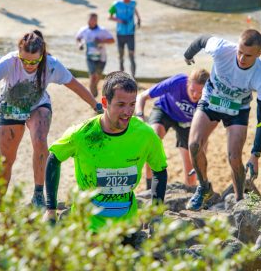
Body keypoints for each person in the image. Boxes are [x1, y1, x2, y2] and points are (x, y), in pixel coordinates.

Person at [0, 30, 102, 215]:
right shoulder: (10, 62)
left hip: (38, 105)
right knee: (6, 160)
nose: (29, 65)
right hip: (10, 108)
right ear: (19, 53)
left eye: (34, 61)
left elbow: (75, 85)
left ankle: (38, 195)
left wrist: (96, 105)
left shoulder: (51, 65)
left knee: (40, 140)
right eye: (24, 60)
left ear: (41, 56)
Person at [43, 71, 168, 232]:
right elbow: (54, 158)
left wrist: (156, 214)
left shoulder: (146, 135)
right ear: (104, 102)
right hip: (87, 225)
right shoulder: (83, 134)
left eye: (132, 104)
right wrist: (50, 210)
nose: (128, 112)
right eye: (121, 104)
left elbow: (160, 170)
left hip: (126, 227)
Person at [183, 29, 261, 210]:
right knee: (193, 145)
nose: (241, 58)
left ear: (259, 54)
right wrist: (188, 55)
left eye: (248, 55)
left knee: (234, 157)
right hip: (211, 101)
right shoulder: (222, 49)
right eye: (239, 52)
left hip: (237, 109)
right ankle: (203, 187)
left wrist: (256, 154)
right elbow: (201, 39)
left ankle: (239, 199)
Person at [135, 69, 210, 188]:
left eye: (200, 92)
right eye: (192, 90)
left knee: (191, 163)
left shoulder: (210, 97)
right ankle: (149, 186)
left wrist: (200, 156)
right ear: (187, 83)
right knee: (153, 139)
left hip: (188, 123)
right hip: (165, 111)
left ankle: (190, 191)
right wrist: (139, 117)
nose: (195, 95)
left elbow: (204, 135)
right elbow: (142, 96)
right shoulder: (177, 82)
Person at [76, 13, 115, 98]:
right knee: (92, 76)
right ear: (87, 20)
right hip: (90, 57)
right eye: (90, 19)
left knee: (98, 75)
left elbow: (112, 40)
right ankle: (92, 96)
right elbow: (78, 38)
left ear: (97, 20)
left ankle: (94, 86)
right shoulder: (84, 30)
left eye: (94, 20)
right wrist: (79, 44)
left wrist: (102, 41)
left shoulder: (102, 30)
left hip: (101, 57)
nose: (92, 21)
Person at [109, 0, 141, 78]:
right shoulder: (116, 4)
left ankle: (133, 77)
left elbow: (134, 9)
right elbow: (110, 17)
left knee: (132, 56)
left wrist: (138, 18)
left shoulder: (133, 3)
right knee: (121, 56)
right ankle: (121, 77)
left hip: (131, 33)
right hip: (120, 33)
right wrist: (120, 21)